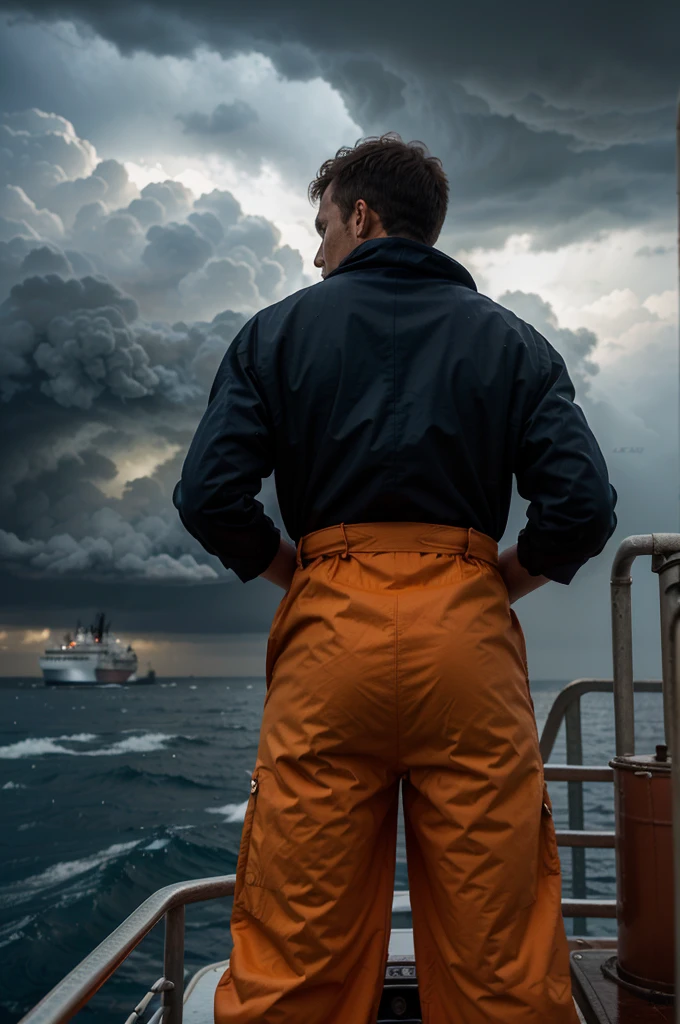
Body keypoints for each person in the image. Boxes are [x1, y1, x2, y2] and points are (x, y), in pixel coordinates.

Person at [173, 132, 617, 1024]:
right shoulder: (514, 342)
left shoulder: (278, 330)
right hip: (469, 635)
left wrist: (301, 572)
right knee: (501, 962)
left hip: (329, 633)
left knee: (296, 954)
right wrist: (495, 581)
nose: (317, 247)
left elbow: (209, 494)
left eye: (323, 224)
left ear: (362, 216)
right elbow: (583, 509)